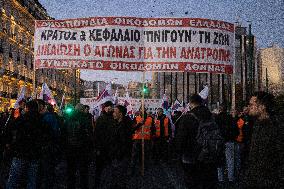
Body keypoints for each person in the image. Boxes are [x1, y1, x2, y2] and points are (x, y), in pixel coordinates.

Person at [175, 94, 220, 189]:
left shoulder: (187, 118)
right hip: (210, 156)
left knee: (193, 183)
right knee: (208, 183)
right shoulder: (212, 116)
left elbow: (181, 140)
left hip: (191, 158)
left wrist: (178, 154)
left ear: (191, 103)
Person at [241, 91, 284, 188]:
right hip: (257, 179)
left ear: (262, 106)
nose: (249, 107)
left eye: (252, 104)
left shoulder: (277, 126)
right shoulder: (257, 124)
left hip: (271, 181)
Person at [6, 100, 44, 189]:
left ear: (27, 108)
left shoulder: (22, 118)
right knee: (32, 179)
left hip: (20, 152)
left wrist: (9, 144)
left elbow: (9, 130)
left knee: (13, 179)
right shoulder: (41, 120)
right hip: (35, 153)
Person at [62, 103, 93, 189]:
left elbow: (63, 134)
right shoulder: (85, 120)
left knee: (71, 171)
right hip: (82, 149)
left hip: (70, 148)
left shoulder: (68, 119)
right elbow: (89, 135)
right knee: (83, 171)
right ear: (82, 110)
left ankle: (70, 186)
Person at [102, 105, 134, 188]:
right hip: (115, 155)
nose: (113, 114)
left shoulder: (126, 125)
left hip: (121, 156)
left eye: (115, 112)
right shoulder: (115, 123)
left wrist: (119, 153)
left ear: (121, 114)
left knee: (120, 178)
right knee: (114, 177)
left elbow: (125, 142)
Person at [37, 100, 62, 189]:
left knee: (47, 171)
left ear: (42, 106)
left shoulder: (49, 117)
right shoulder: (38, 117)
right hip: (40, 149)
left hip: (48, 148)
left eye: (38, 105)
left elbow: (56, 133)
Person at [215, 103, 239, 185]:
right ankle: (231, 179)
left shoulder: (216, 119)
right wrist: (232, 137)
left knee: (219, 160)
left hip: (219, 142)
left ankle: (220, 179)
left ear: (220, 109)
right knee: (230, 160)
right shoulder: (231, 118)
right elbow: (236, 131)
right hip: (229, 141)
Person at [94, 101, 115, 188]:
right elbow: (96, 134)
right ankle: (97, 184)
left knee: (111, 168)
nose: (110, 108)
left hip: (111, 147)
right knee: (99, 168)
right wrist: (97, 148)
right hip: (102, 147)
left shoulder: (114, 119)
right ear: (105, 108)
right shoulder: (101, 119)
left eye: (111, 107)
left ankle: (109, 183)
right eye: (109, 107)